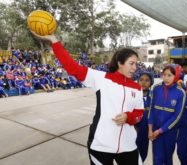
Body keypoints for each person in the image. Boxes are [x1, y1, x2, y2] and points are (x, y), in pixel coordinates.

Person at [30, 32, 144, 165]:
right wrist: (54, 41)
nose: (135, 68)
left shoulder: (137, 87)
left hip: (128, 144)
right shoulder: (101, 78)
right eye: (132, 63)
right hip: (101, 144)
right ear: (120, 63)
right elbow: (72, 67)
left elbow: (139, 114)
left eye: (136, 64)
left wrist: (128, 117)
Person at [148, 65, 185, 165]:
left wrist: (161, 130)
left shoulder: (180, 92)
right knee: (157, 158)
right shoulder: (156, 88)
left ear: (176, 76)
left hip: (170, 132)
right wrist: (150, 129)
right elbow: (151, 110)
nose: (166, 78)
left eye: (170, 75)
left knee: (168, 157)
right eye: (164, 75)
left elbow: (177, 116)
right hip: (155, 130)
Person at [135, 72, 153, 162]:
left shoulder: (154, 96)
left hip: (147, 131)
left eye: (147, 80)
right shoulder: (133, 95)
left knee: (143, 153)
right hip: (134, 130)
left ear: (151, 82)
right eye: (141, 80)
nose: (143, 83)